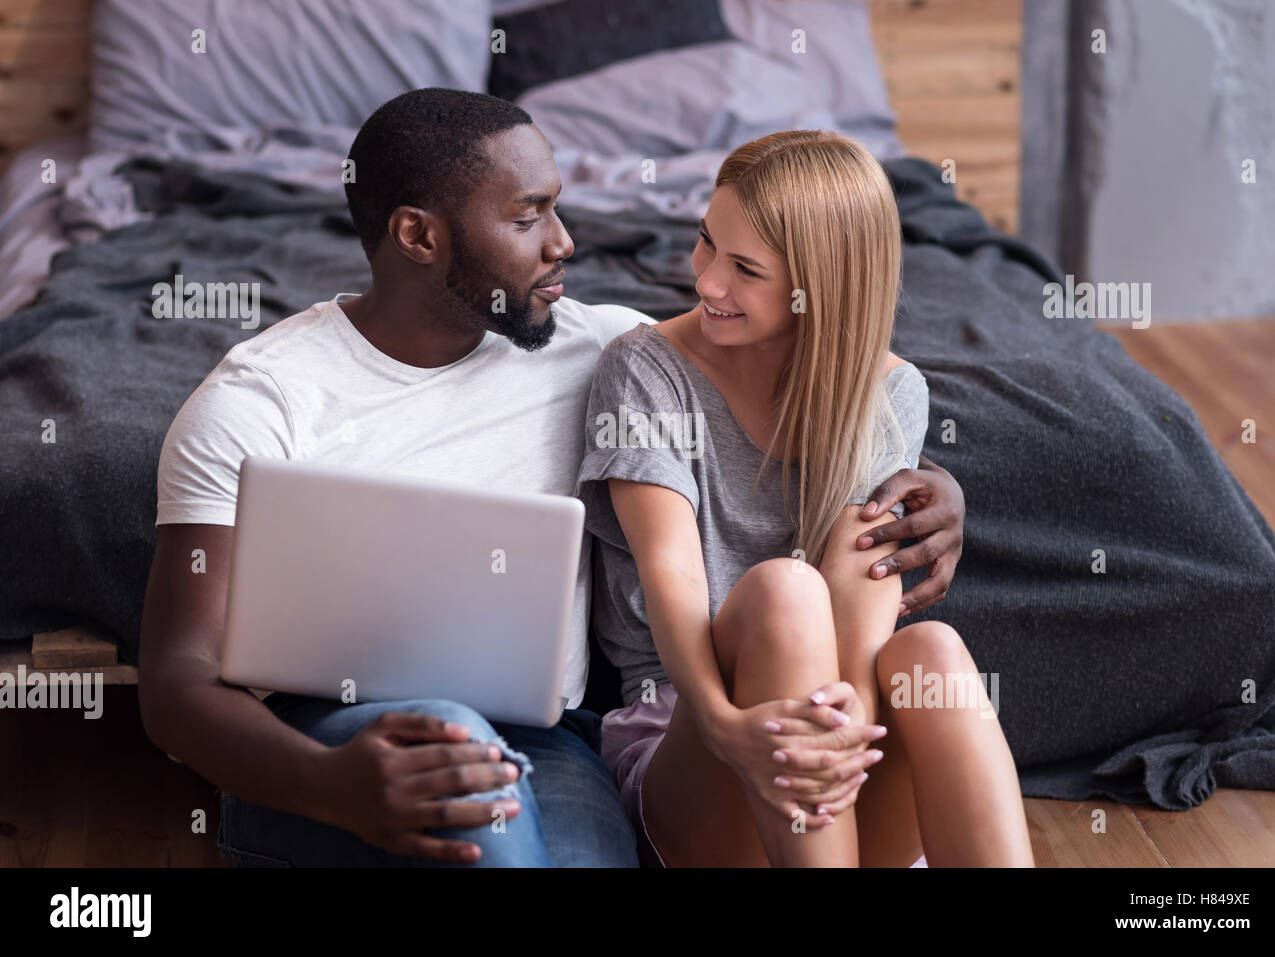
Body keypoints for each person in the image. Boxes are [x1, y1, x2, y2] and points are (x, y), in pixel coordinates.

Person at [138, 89, 968, 867]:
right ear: (419, 236)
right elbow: (175, 684)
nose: (565, 241)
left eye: (558, 205)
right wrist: (335, 784)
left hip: (547, 733)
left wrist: (927, 481)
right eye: (529, 215)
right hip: (319, 743)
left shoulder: (594, 346)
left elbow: (782, 390)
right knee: (463, 759)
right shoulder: (258, 403)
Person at [577, 130, 1034, 867]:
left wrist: (835, 738)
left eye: (745, 269)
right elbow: (672, 575)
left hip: (835, 741)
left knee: (934, 653)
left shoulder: (888, 390)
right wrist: (727, 725)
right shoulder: (644, 370)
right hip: (691, 732)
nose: (707, 282)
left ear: (817, 287)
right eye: (705, 243)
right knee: (785, 592)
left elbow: (861, 606)